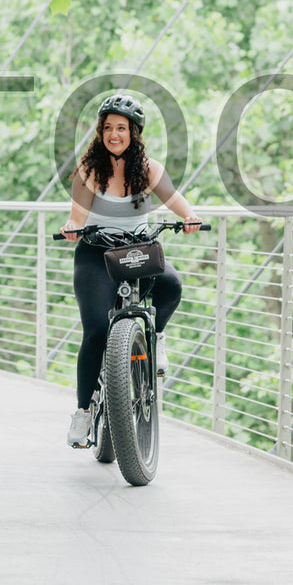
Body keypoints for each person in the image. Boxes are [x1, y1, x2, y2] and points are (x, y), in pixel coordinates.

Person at [61, 92, 201, 448]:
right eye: (107, 127)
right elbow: (77, 216)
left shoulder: (149, 168)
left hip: (138, 250)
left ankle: (157, 337)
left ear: (133, 132)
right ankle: (82, 412)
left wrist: (189, 217)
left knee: (171, 286)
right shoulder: (89, 169)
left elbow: (175, 200)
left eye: (121, 128)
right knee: (94, 332)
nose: (114, 134)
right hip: (96, 254)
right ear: (100, 132)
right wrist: (72, 227)